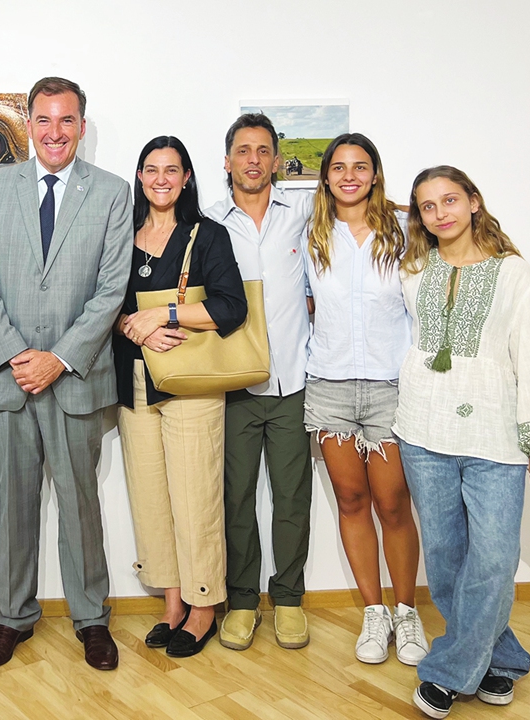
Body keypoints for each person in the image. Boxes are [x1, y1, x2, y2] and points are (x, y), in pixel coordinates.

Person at [0, 76, 132, 671]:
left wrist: (57, 358)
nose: (55, 132)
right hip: (9, 379)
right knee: (16, 502)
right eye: (44, 119)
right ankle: (13, 616)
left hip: (76, 379)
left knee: (80, 504)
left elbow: (112, 289)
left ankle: (92, 619)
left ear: (81, 126)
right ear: (28, 123)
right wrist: (18, 355)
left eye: (66, 120)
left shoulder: (111, 193)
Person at [396, 166, 530, 719]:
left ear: (473, 202)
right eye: (427, 206)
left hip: (495, 436)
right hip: (423, 431)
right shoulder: (413, 270)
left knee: (493, 559)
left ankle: (448, 672)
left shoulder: (512, 273)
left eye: (449, 200)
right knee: (446, 559)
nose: (439, 213)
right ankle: (499, 657)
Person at [113, 136, 247, 658]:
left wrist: (162, 315)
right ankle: (172, 603)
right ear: (140, 176)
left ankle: (203, 605)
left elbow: (232, 307)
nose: (161, 179)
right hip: (134, 380)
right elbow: (107, 305)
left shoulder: (207, 235)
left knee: (196, 498)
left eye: (172, 170)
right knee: (150, 498)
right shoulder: (120, 234)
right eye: (152, 169)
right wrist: (133, 327)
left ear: (187, 177)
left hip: (190, 381)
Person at [302, 133, 429, 666]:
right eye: (339, 167)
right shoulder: (312, 233)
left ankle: (407, 611)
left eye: (360, 166)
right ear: (326, 176)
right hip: (329, 386)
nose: (349, 176)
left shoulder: (404, 230)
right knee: (351, 501)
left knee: (394, 504)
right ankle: (374, 614)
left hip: (390, 388)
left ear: (375, 173)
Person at [204, 113, 314, 652]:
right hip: (233, 385)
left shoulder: (304, 213)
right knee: (235, 499)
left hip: (294, 380)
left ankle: (288, 600)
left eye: (263, 150)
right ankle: (243, 601)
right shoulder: (207, 221)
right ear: (227, 161)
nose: (253, 160)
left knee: (293, 499)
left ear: (276, 161)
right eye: (243, 150)